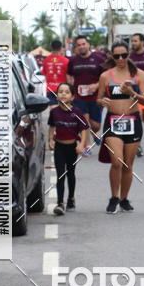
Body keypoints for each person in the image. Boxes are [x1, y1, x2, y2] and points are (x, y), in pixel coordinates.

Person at [96, 41, 144, 214]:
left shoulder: (139, 74)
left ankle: (124, 199)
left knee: (127, 165)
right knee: (117, 162)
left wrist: (131, 93)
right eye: (117, 56)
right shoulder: (106, 75)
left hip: (132, 122)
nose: (120, 59)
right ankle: (114, 197)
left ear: (129, 55)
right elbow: (99, 98)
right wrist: (101, 101)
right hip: (113, 122)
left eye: (124, 55)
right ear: (112, 56)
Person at [48, 82, 89, 215]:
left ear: (72, 97)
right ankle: (60, 203)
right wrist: (50, 140)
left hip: (72, 147)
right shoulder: (54, 112)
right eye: (60, 92)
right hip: (59, 146)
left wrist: (82, 145)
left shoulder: (76, 112)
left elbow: (84, 129)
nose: (63, 94)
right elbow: (52, 126)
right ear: (57, 95)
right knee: (61, 174)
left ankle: (71, 198)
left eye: (67, 92)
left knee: (70, 173)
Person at [66, 35, 107, 153]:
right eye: (79, 45)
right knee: (84, 120)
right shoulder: (73, 60)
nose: (81, 47)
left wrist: (96, 86)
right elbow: (69, 74)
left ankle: (94, 133)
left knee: (95, 125)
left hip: (96, 96)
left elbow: (106, 76)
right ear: (76, 47)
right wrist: (70, 86)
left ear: (88, 45)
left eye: (83, 44)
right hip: (79, 97)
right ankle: (87, 145)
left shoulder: (99, 59)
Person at [42, 39, 69, 106]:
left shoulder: (46, 60)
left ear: (52, 47)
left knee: (53, 110)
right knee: (63, 109)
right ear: (61, 48)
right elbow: (68, 77)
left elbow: (44, 74)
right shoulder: (66, 61)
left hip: (50, 89)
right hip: (63, 89)